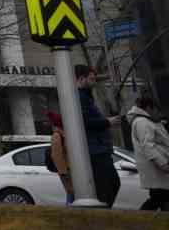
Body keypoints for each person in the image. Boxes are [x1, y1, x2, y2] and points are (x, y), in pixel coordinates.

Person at [75, 64, 122, 207]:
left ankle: (102, 212)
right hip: (95, 150)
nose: (94, 82)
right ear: (81, 79)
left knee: (110, 185)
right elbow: (85, 122)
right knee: (108, 185)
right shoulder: (80, 97)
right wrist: (107, 122)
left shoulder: (85, 97)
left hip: (98, 149)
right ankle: (101, 214)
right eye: (91, 79)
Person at [126, 93, 169, 211]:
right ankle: (140, 219)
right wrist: (162, 163)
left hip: (158, 168)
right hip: (156, 168)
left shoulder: (149, 121)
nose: (159, 113)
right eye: (157, 110)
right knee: (159, 197)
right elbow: (148, 146)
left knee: (160, 198)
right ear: (149, 108)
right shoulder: (142, 122)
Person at [45, 110, 74, 203]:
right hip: (67, 172)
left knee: (72, 193)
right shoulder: (57, 136)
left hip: (69, 170)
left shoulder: (63, 134)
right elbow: (57, 156)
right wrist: (64, 173)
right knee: (71, 192)